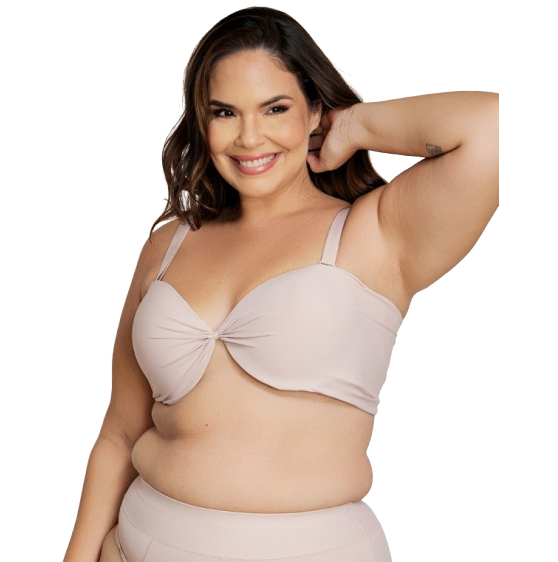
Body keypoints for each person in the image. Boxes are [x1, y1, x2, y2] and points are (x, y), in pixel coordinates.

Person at [64, 7, 498, 562]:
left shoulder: (374, 235)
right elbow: (120, 433)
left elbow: (496, 129)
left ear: (314, 109)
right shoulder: (170, 243)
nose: (249, 137)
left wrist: (355, 126)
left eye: (275, 109)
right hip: (133, 545)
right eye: (225, 112)